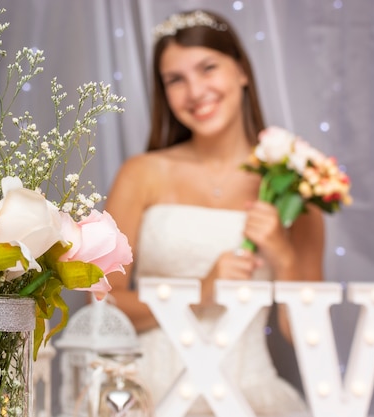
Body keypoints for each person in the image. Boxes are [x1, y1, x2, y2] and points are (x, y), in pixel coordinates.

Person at [104, 9, 324, 416]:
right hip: (148, 395)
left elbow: (309, 335)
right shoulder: (141, 174)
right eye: (176, 79)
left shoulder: (297, 187)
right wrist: (196, 293)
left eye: (208, 68)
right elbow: (102, 305)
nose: (195, 90)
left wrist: (284, 256)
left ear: (241, 70)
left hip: (252, 396)